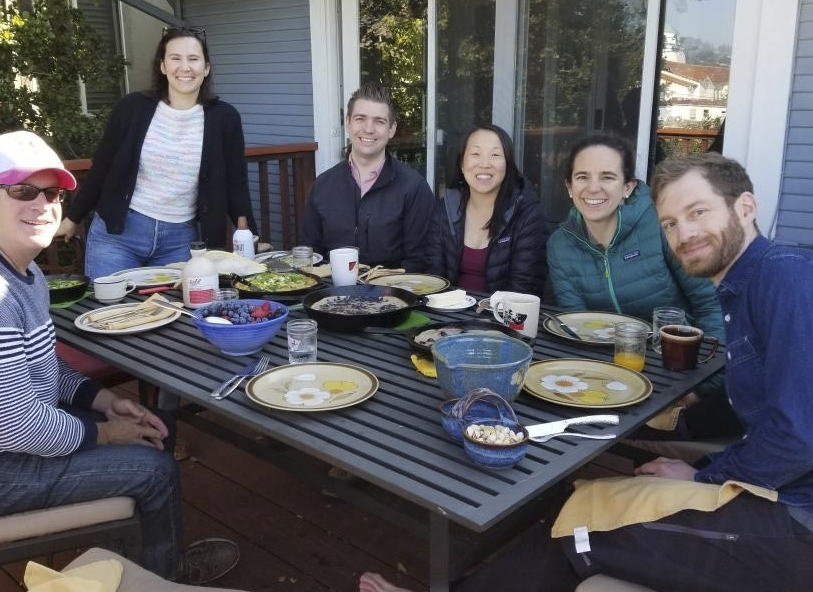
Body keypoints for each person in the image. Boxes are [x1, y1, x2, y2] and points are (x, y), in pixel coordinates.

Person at [357, 152, 813, 592]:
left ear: (745, 207)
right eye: (671, 223)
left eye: (698, 213)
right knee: (582, 496)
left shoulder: (790, 276)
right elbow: (774, 415)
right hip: (800, 511)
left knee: (582, 525)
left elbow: (807, 437)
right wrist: (687, 450)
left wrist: (704, 481)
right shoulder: (749, 288)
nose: (684, 233)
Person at [0, 130, 239, 584]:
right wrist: (109, 433)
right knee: (153, 468)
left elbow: (41, 369)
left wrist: (102, 401)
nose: (41, 204)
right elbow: (21, 427)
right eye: (22, 190)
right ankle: (162, 581)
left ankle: (129, 563)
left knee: (145, 431)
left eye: (52, 192)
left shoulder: (22, 270)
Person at [547, 134, 733, 438]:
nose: (593, 188)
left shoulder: (662, 223)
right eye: (582, 177)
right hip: (617, 377)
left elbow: (712, 304)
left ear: (628, 187)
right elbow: (575, 329)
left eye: (607, 176)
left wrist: (702, 386)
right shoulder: (560, 245)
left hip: (686, 371)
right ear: (569, 187)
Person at [56, 26, 257, 278]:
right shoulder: (131, 109)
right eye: (175, 58)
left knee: (175, 314)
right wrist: (73, 218)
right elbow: (102, 168)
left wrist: (252, 236)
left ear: (206, 68)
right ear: (162, 66)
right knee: (111, 314)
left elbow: (236, 183)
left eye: (193, 59)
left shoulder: (225, 118)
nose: (185, 67)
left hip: (181, 241)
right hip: (118, 236)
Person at [299, 83, 435, 270]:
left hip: (393, 294)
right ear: (348, 122)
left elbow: (419, 261)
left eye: (379, 121)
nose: (368, 129)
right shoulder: (323, 185)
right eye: (360, 119)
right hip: (331, 293)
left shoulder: (414, 188)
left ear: (392, 129)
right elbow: (311, 254)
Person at [425, 125, 548, 295]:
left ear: (508, 165)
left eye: (495, 155)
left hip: (502, 318)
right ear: (461, 164)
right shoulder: (444, 209)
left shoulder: (528, 214)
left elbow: (524, 289)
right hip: (449, 315)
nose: (485, 164)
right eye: (475, 154)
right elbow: (434, 278)